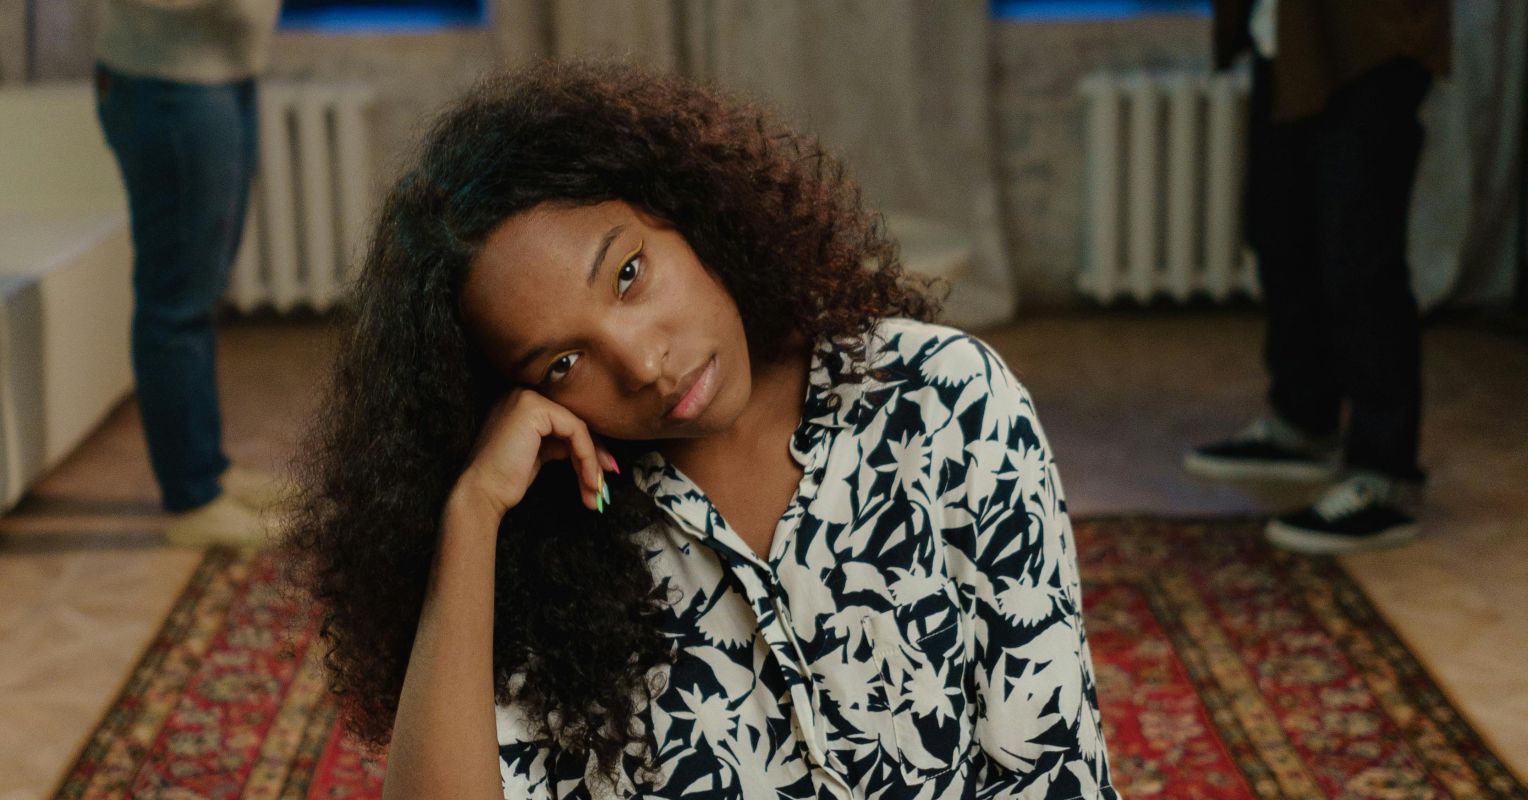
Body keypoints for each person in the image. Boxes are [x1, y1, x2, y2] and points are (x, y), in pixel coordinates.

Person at [286, 62, 1117, 799]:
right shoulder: (548, 550)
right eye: (564, 363)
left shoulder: (941, 400)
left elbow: (1055, 771)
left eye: (629, 275)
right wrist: (471, 515)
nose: (643, 363)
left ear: (684, 210)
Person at [1187, 0, 1451, 555]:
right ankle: (1301, 422)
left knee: (1360, 259)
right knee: (1281, 234)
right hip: (1283, 37)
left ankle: (1386, 475)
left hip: (1369, 38)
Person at [94, 0, 291, 546]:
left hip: (221, 70)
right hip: (168, 77)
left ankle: (208, 469)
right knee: (178, 303)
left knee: (200, 293)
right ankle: (192, 501)